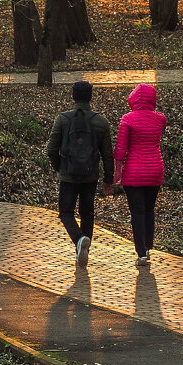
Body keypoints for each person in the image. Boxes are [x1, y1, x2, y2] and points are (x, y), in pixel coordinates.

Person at [46, 80, 113, 268]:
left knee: (66, 211)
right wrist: (108, 179)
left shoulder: (63, 119)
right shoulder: (101, 121)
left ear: (73, 96)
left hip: (68, 175)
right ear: (90, 97)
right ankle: (84, 250)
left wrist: (59, 167)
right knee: (87, 213)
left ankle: (79, 239)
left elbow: (51, 148)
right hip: (90, 176)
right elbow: (108, 153)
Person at [113, 83, 168, 266]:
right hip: (155, 170)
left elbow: (120, 149)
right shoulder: (160, 119)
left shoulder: (127, 119)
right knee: (149, 209)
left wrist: (117, 173)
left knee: (137, 211)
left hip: (134, 173)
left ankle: (141, 253)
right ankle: (148, 245)